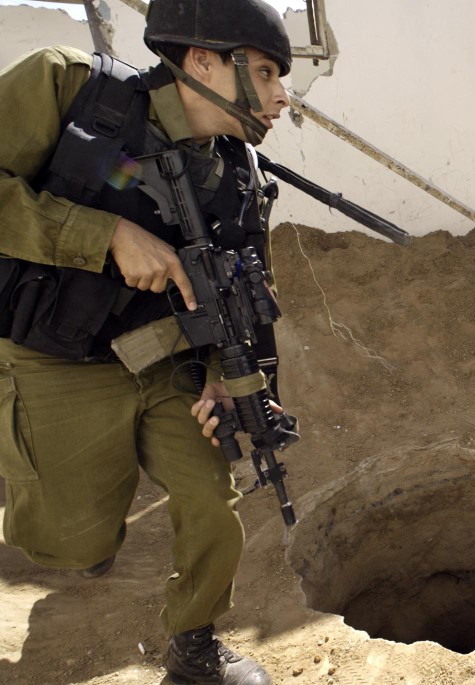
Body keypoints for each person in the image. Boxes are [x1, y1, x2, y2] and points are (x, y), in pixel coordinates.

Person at [0, 0, 292, 683]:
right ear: (202, 61)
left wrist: (224, 376)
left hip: (165, 361)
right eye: (266, 72)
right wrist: (104, 236)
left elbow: (243, 294)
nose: (283, 96)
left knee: (211, 503)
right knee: (71, 544)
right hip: (55, 355)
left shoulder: (237, 176)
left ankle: (195, 648)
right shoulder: (69, 89)